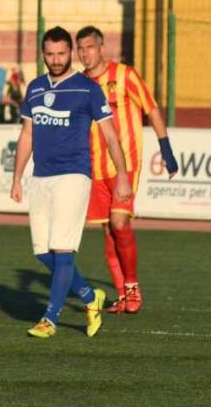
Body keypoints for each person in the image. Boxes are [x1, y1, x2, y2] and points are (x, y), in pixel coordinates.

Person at [10, 26, 131, 339]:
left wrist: (122, 174)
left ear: (71, 53)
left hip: (74, 176)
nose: (55, 59)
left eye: (61, 53)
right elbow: (27, 135)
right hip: (40, 177)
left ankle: (50, 318)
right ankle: (92, 298)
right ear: (43, 54)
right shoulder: (35, 88)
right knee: (42, 252)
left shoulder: (87, 89)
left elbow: (109, 135)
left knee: (63, 251)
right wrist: (17, 176)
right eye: (49, 54)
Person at [76, 26, 178, 313]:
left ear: (101, 48)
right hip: (94, 170)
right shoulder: (81, 84)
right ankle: (122, 294)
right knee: (109, 232)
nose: (85, 53)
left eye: (90, 47)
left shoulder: (125, 75)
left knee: (120, 224)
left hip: (125, 166)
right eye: (80, 49)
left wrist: (166, 148)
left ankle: (132, 287)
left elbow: (152, 109)